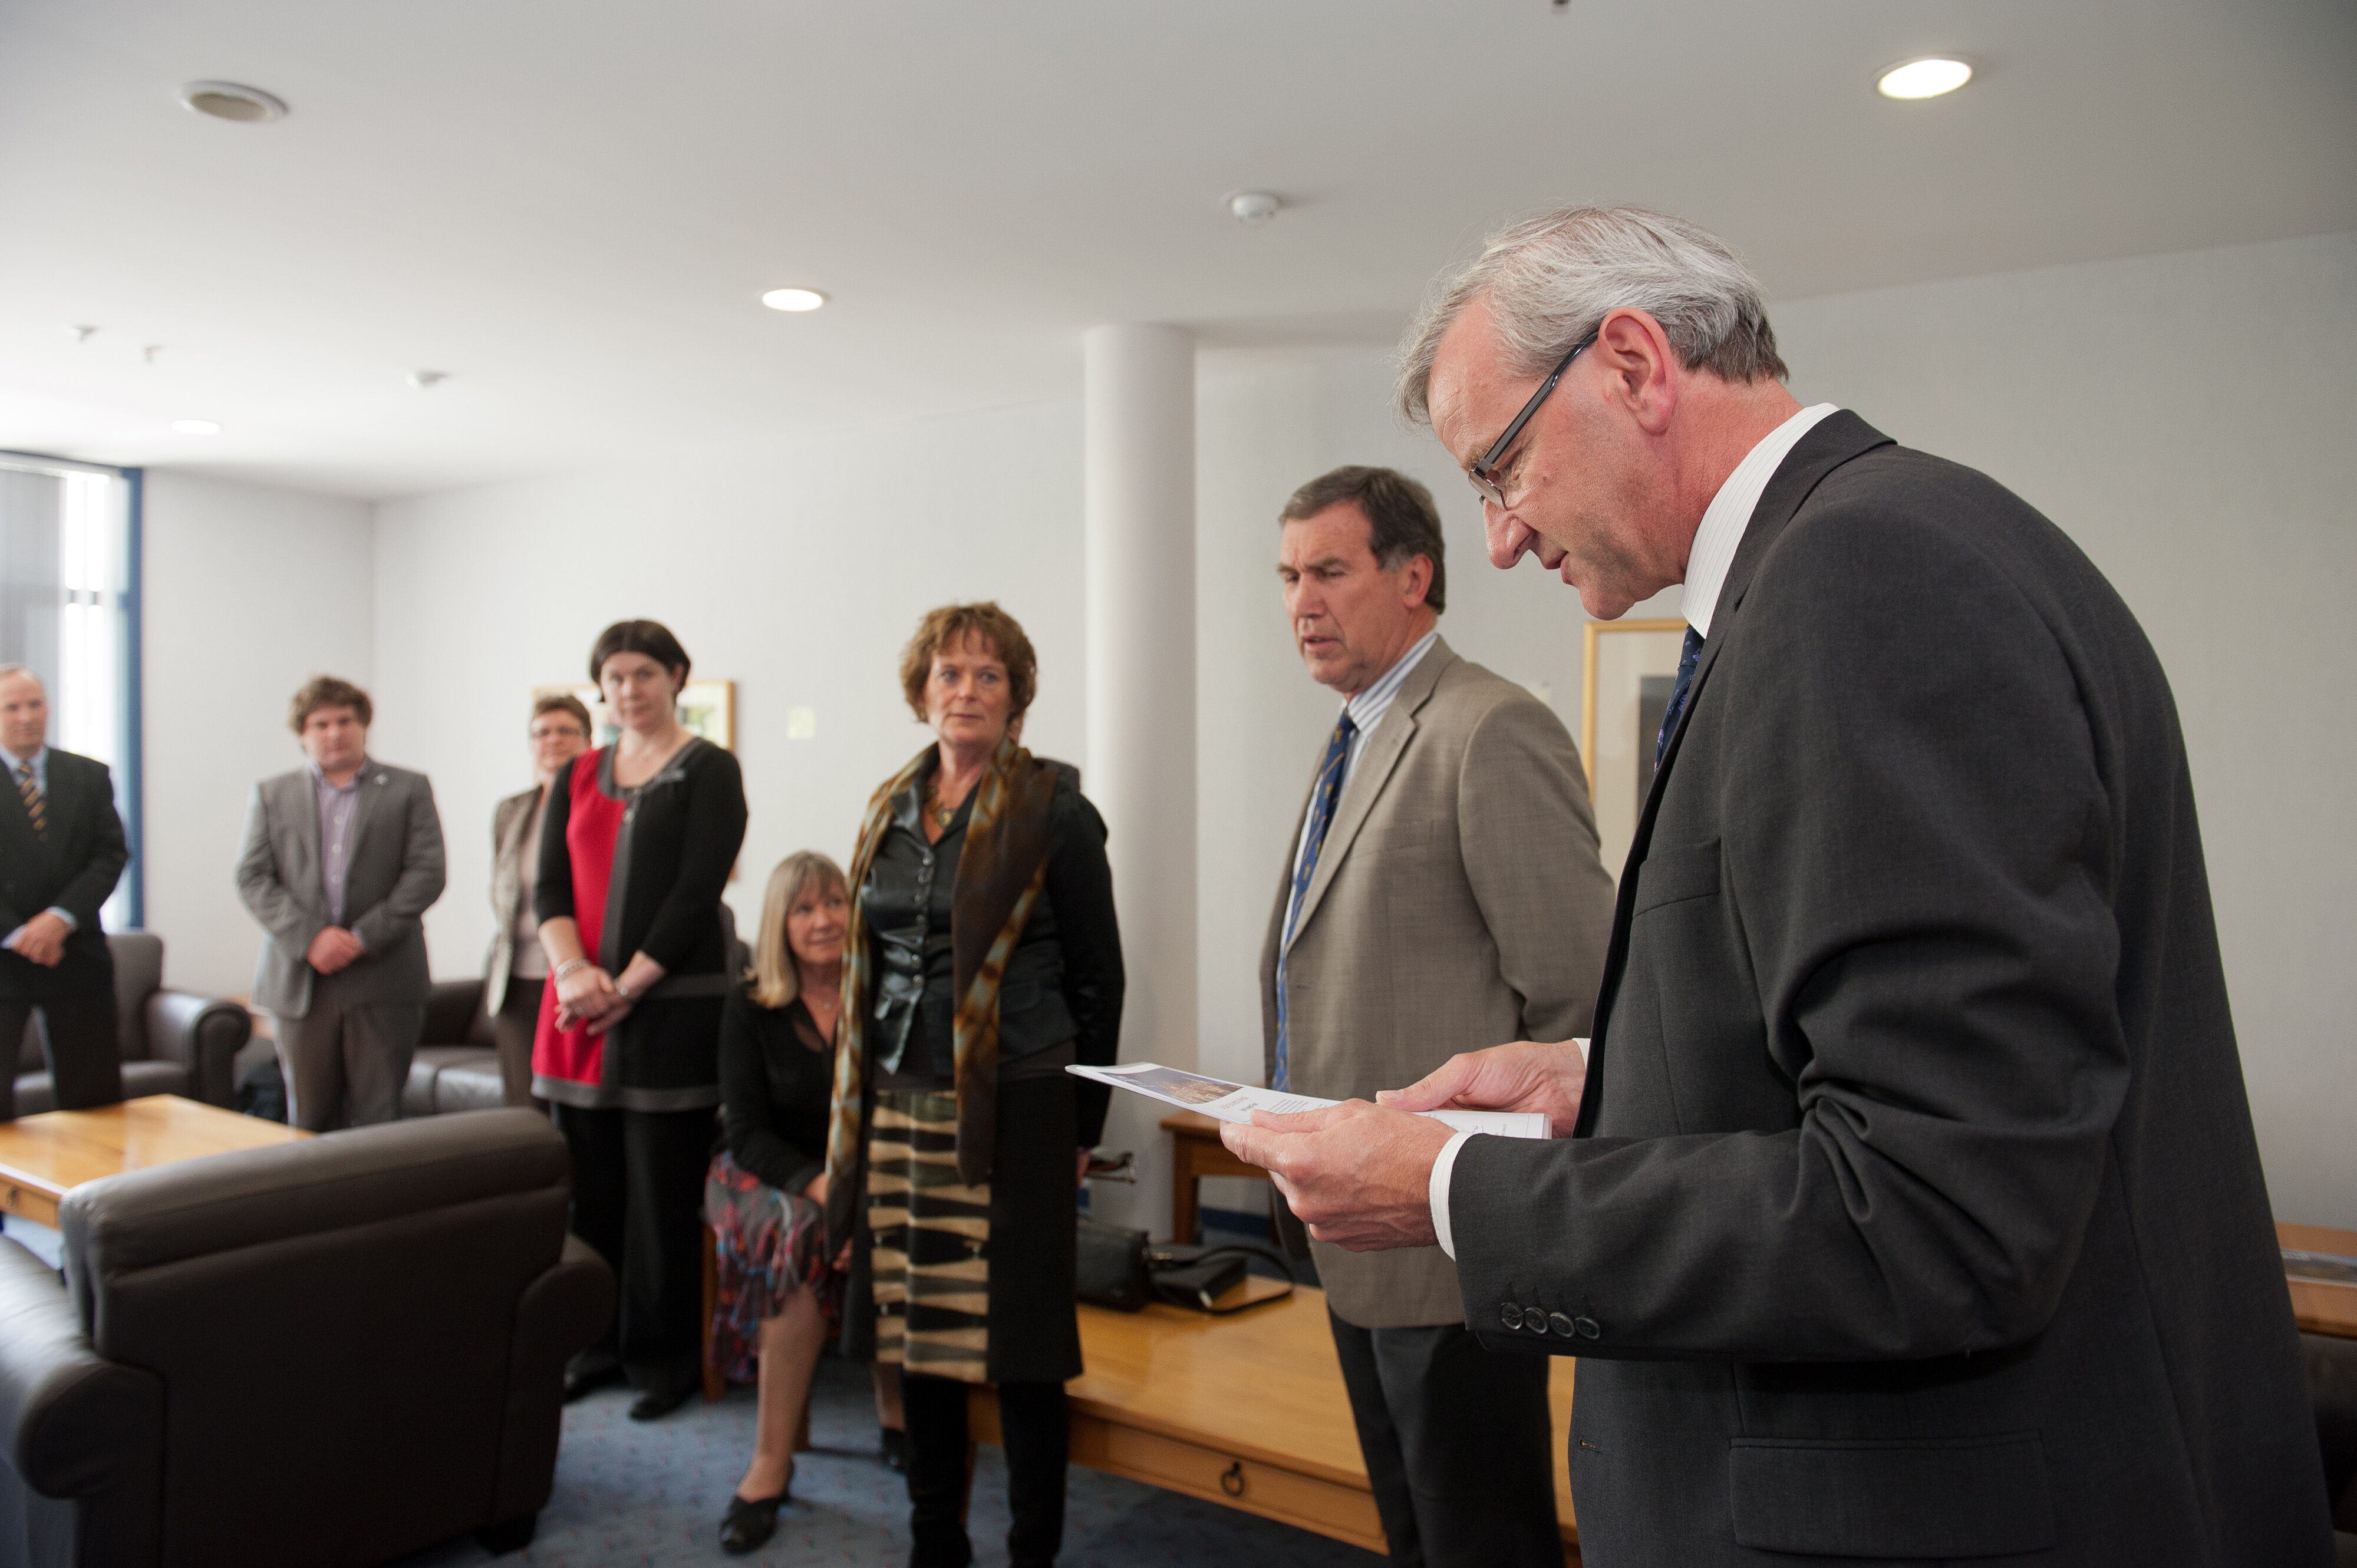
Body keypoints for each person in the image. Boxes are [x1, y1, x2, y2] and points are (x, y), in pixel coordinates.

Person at [1219, 205, 2332, 1565]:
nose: (1499, 539)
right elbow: (1867, 1050)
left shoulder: (1865, 580)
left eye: (1499, 468)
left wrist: (1457, 1190)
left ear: (1632, 366)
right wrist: (1600, 1079)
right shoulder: (1878, 549)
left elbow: (1936, 1212)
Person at [1261, 468, 1612, 1568]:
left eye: (1327, 570)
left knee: (1481, 1542)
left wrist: (1508, 1204)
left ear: (1413, 576)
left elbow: (1577, 999)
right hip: (1356, 1224)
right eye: (1285, 576)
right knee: (1410, 1536)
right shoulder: (1352, 736)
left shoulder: (1486, 728)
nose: (1299, 602)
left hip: (1451, 1243)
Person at [822, 602, 1123, 1568]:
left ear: (1016, 699)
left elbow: (1096, 975)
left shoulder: (1054, 811)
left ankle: (1032, 1548)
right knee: (920, 1338)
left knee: (1022, 1346)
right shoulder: (886, 806)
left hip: (1018, 1101)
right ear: (922, 691)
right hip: (899, 1098)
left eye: (988, 677)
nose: (966, 691)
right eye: (949, 673)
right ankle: (933, 1544)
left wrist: (1084, 1120)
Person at [536, 619, 747, 1422]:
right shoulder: (578, 773)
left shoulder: (710, 769)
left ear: (675, 678)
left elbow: (699, 892)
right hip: (580, 1017)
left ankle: (664, 1359)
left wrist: (628, 982)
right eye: (615, 676)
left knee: (662, 1199)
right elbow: (547, 889)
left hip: (673, 1015)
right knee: (590, 1197)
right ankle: (594, 1345)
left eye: (645, 674)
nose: (630, 688)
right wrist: (574, 972)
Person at [706, 850, 908, 1554]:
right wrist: (828, 1193)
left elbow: (901, 1111)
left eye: (834, 904)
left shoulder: (883, 997)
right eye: (804, 909)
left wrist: (856, 1192)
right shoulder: (748, 1003)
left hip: (862, 1171)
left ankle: (895, 1410)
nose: (823, 920)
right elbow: (746, 1133)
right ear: (780, 923)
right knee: (804, 1242)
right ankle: (770, 1461)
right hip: (765, 1176)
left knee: (888, 1224)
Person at [236, 676, 446, 1131]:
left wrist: (360, 938)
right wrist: (312, 938)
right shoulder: (273, 794)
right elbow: (252, 876)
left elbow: (427, 873)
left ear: (364, 724)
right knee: (309, 1120)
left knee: (380, 1117)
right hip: (300, 980)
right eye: (321, 723)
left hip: (384, 975)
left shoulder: (408, 788)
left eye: (345, 720)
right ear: (303, 733)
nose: (334, 732)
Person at [0, 665, 128, 1120]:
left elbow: (111, 855)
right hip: (4, 957)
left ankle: (94, 1193)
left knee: (94, 1104)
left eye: (34, 704)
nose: (25, 716)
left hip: (77, 954)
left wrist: (59, 919)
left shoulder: (88, 776)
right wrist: (21, 934)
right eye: (11, 707)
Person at [483, 692, 594, 1105]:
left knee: (570, 1103)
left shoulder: (595, 806)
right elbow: (502, 886)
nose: (554, 740)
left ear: (588, 738)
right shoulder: (511, 809)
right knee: (521, 1103)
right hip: (516, 976)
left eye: (566, 730)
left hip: (575, 974)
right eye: (542, 732)